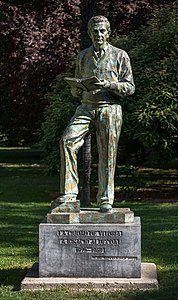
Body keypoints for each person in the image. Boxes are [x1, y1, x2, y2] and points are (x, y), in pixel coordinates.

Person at [53, 15, 135, 213]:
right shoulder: (83, 56)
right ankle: (69, 194)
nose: (98, 34)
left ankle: (105, 199)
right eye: (95, 31)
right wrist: (77, 89)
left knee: (107, 154)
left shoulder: (120, 55)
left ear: (108, 33)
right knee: (67, 141)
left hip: (110, 107)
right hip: (86, 106)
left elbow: (130, 87)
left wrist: (108, 84)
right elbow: (79, 83)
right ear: (90, 33)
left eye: (102, 31)